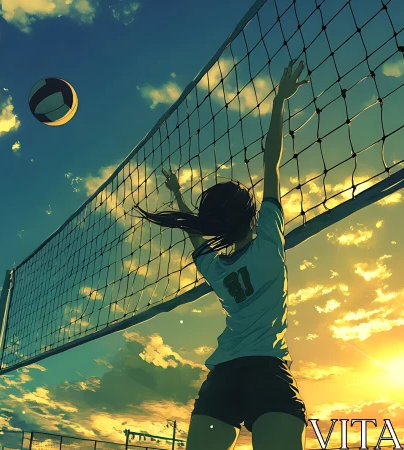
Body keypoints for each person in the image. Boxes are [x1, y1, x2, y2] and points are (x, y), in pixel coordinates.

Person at [135, 59, 310, 450]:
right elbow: (271, 161)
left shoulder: (216, 270)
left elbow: (193, 234)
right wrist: (279, 101)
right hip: (266, 369)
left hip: (223, 378)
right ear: (250, 214)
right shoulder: (268, 238)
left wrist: (180, 197)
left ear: (216, 224)